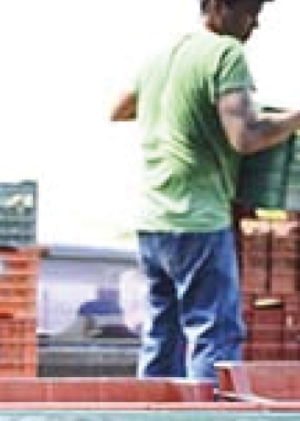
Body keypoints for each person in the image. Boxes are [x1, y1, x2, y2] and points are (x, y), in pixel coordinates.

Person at [111, 0, 300, 381]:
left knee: (162, 336)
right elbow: (246, 135)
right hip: (198, 219)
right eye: (248, 12)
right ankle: (209, 414)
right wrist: (295, 119)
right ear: (217, 6)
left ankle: (150, 413)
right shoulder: (226, 53)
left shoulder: (161, 56)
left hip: (153, 222)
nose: (255, 24)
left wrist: (180, 109)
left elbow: (120, 109)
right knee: (214, 332)